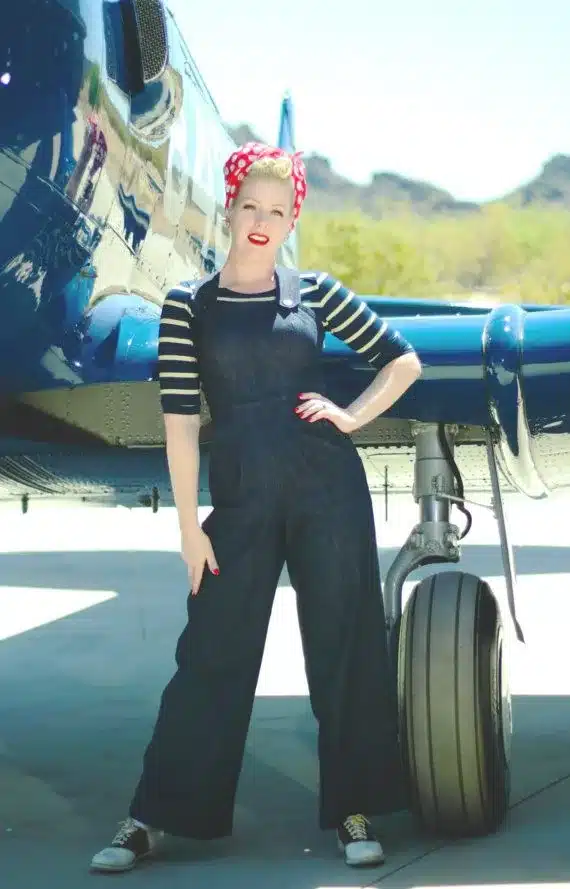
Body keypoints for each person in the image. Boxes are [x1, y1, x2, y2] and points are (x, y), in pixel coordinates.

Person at [90, 142, 422, 874]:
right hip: (238, 500)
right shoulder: (189, 306)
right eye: (251, 207)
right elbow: (180, 421)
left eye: (278, 211)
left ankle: (354, 806)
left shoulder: (318, 293)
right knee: (211, 654)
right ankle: (152, 816)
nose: (262, 222)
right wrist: (187, 528)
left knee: (345, 644)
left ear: (292, 217)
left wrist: (352, 413)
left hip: (327, 490)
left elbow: (402, 358)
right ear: (230, 209)